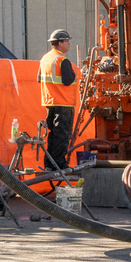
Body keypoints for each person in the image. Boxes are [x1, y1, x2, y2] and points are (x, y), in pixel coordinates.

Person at [37, 28, 78, 170]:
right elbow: (67, 81)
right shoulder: (62, 60)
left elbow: (39, 79)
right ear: (60, 43)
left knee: (53, 135)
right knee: (63, 135)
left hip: (50, 102)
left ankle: (49, 164)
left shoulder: (45, 59)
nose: (69, 45)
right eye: (67, 42)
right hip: (64, 103)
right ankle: (59, 164)